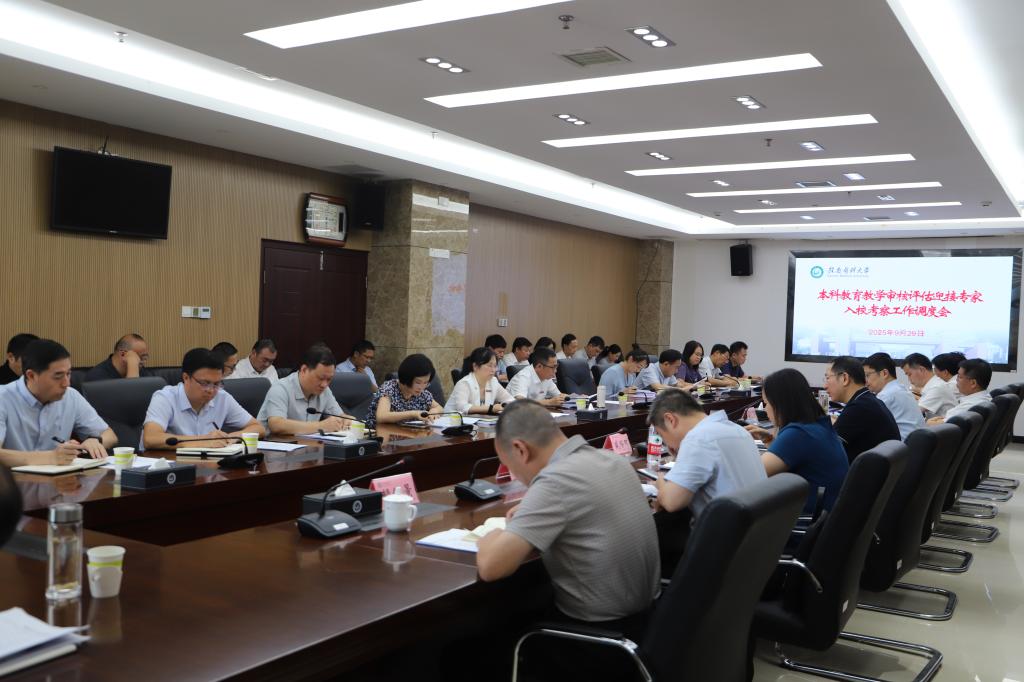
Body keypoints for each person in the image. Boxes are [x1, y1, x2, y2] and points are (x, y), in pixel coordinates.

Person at [477, 400, 660, 627]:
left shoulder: (554, 481)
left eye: (510, 465)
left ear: (521, 450)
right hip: (652, 619)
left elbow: (491, 568)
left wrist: (491, 537)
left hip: (598, 633)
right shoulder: (612, 459)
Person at [746, 368, 849, 514]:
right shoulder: (818, 425)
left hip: (806, 521)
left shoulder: (798, 434)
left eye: (766, 403)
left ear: (781, 404)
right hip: (826, 515)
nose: (766, 409)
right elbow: (791, 457)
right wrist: (769, 440)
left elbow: (752, 475)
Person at [0, 339, 116, 467]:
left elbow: (110, 435)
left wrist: (95, 441)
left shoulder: (70, 396)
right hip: (12, 479)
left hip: (60, 478)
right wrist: (50, 457)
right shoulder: (3, 398)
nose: (66, 383)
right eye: (58, 376)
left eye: (68, 374)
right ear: (31, 375)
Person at [651, 389, 766, 516]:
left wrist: (660, 484)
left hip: (727, 526)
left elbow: (672, 502)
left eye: (662, 435)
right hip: (759, 522)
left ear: (670, 419)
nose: (668, 445)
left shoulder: (698, 438)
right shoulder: (738, 430)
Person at [142, 348, 264, 450]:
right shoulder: (165, 398)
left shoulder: (222, 398)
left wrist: (231, 437)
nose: (211, 390)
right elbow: (151, 438)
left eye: (216, 384)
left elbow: (258, 427)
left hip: (208, 465)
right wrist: (203, 441)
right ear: (186, 377)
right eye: (205, 383)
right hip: (170, 465)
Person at [258, 344, 353, 435]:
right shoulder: (280, 388)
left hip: (305, 444)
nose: (324, 384)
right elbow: (276, 425)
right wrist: (321, 426)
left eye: (329, 379)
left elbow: (339, 416)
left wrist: (346, 420)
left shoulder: (325, 390)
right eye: (320, 378)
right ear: (304, 370)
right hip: (271, 444)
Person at [824, 356, 900, 462]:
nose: (825, 386)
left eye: (827, 378)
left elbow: (826, 449)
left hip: (861, 471)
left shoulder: (859, 408)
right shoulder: (867, 401)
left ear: (844, 378)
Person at [366, 353, 443, 428]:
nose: (422, 387)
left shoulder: (422, 393)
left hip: (408, 433)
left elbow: (439, 407)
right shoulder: (389, 388)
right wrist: (413, 414)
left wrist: (434, 411)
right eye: (418, 382)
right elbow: (381, 416)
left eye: (426, 382)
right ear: (407, 377)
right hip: (381, 433)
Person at [864, 352, 924, 440]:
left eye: (867, 375)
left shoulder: (887, 395)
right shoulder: (899, 388)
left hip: (900, 445)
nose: (865, 381)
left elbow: (864, 423)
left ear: (884, 373)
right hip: (913, 443)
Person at [445, 347, 515, 415]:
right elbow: (462, 407)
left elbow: (510, 400)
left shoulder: (493, 381)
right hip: (451, 420)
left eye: (495, 366)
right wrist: (491, 408)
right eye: (489, 366)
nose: (493, 370)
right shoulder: (465, 383)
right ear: (475, 366)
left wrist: (503, 406)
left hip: (481, 420)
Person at [930, 358, 993, 424]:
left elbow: (943, 426)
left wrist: (929, 422)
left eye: (960, 377)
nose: (956, 380)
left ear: (973, 383)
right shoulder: (986, 397)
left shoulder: (969, 406)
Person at [902, 353, 956, 418]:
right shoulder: (933, 385)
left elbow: (911, 413)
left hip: (944, 424)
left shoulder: (936, 387)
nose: (909, 379)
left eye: (909, 374)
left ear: (921, 370)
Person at [83, 333, 153, 381]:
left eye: (145, 358)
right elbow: (131, 395)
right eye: (139, 358)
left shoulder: (143, 372)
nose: (142, 362)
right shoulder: (96, 376)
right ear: (123, 354)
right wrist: (133, 364)